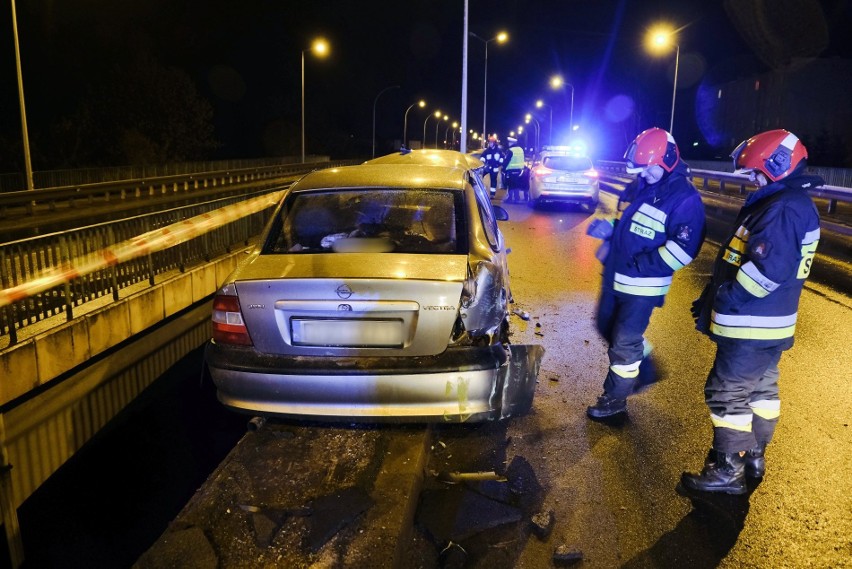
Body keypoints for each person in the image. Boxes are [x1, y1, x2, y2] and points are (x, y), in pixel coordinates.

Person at [681, 129, 822, 495]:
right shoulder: (785, 203)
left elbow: (766, 272)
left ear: (778, 166)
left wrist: (726, 298)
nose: (752, 179)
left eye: (757, 172)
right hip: (767, 325)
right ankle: (754, 456)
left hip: (751, 324)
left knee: (726, 393)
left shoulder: (783, 208)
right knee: (761, 391)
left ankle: (728, 468)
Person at [585, 127, 706, 420]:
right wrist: (610, 230)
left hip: (643, 285)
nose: (644, 174)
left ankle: (614, 401)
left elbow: (684, 250)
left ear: (666, 161)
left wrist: (643, 264)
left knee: (624, 342)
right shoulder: (640, 185)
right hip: (615, 276)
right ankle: (647, 367)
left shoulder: (685, 199)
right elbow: (629, 225)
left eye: (648, 169)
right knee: (604, 326)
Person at [503, 137, 528, 203]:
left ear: (512, 143)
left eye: (509, 142)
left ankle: (510, 198)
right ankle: (517, 198)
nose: (508, 144)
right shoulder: (520, 149)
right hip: (519, 170)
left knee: (510, 184)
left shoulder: (510, 150)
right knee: (516, 184)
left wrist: (503, 168)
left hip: (511, 170)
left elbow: (507, 160)